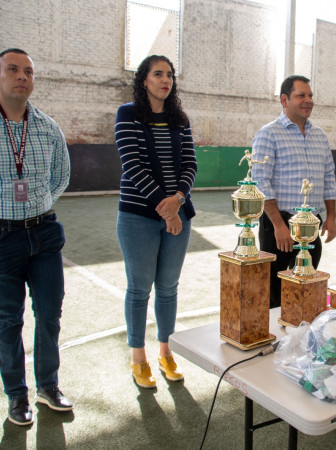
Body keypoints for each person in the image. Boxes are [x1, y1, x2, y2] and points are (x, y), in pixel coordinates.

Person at [0, 48, 72, 426]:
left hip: (43, 234)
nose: (21, 76)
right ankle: (16, 396)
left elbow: (60, 177)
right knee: (8, 318)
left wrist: (34, 206)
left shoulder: (47, 127)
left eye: (28, 71)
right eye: (12, 70)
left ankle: (48, 386)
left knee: (50, 314)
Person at [114, 54, 197, 388]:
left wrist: (177, 201)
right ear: (144, 79)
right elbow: (132, 165)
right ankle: (139, 357)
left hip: (178, 214)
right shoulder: (128, 114)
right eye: (158, 74)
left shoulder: (179, 118)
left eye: (170, 74)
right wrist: (166, 209)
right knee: (139, 289)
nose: (166, 80)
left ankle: (166, 351)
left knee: (168, 288)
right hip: (137, 216)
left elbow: (190, 164)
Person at [251, 75, 336, 306]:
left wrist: (331, 217)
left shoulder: (320, 136)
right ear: (284, 99)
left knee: (305, 287)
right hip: (279, 224)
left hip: (312, 223)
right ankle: (278, 341)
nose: (308, 100)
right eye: (301, 95)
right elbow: (261, 182)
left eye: (310, 95)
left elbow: (329, 177)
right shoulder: (268, 134)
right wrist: (279, 226)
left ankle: (297, 338)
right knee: (275, 293)